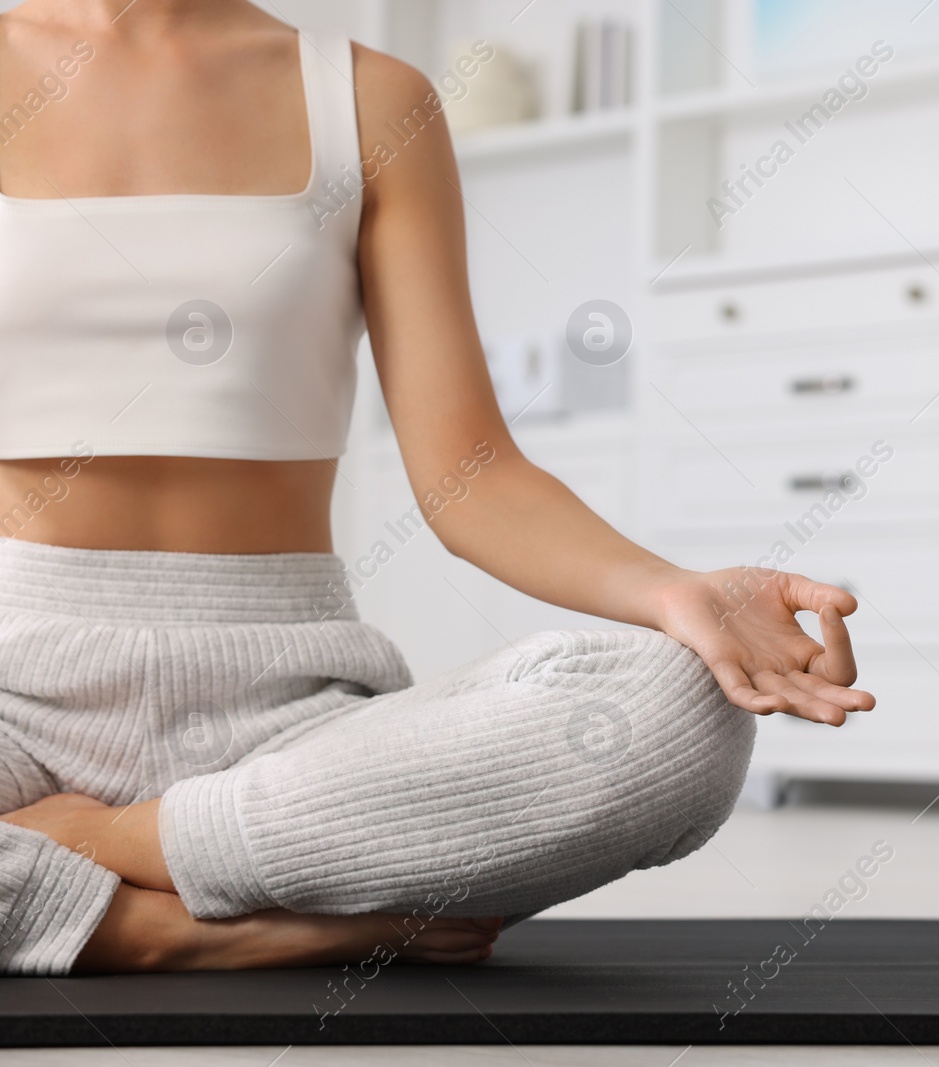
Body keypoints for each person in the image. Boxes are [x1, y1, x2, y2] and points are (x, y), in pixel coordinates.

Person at [0, 0, 873, 975]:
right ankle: (156, 927)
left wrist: (677, 592)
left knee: (682, 713)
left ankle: (101, 847)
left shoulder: (372, 99)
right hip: (18, 694)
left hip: (288, 718)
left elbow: (473, 478)